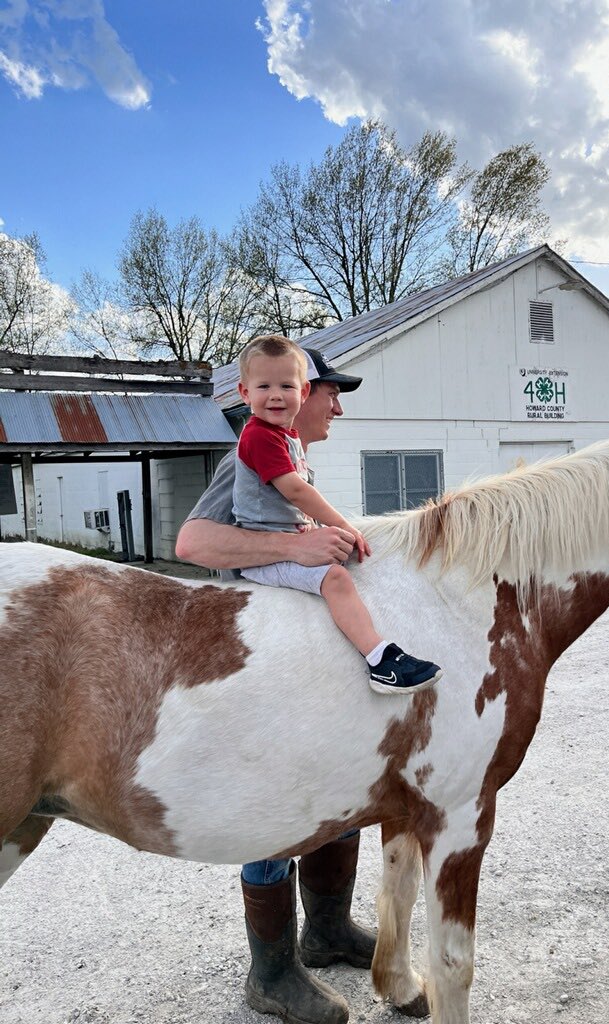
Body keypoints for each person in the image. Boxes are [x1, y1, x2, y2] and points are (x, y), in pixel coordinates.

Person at [176, 347, 377, 1024]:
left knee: (335, 790)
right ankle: (271, 974)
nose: (337, 408)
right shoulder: (252, 453)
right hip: (261, 667)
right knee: (276, 804)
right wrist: (296, 547)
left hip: (312, 671)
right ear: (299, 392)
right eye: (332, 394)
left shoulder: (292, 458)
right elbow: (193, 543)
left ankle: (326, 932)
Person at [233, 334, 441, 694]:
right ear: (244, 393)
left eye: (286, 386)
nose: (276, 395)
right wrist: (341, 524)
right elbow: (296, 491)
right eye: (264, 386)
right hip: (265, 554)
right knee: (336, 579)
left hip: (292, 539)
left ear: (301, 392)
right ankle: (381, 661)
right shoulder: (259, 438)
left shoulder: (286, 438)